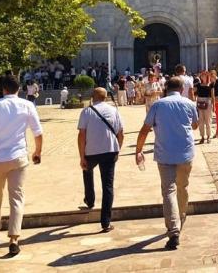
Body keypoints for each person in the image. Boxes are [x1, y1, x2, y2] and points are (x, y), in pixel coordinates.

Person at [0, 75, 44, 257]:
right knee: (17, 198)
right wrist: (38, 151)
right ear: (19, 89)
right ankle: (14, 238)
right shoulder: (28, 105)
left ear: (3, 89)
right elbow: (38, 132)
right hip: (18, 157)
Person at [135, 77, 199, 250]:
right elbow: (195, 126)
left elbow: (144, 130)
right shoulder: (189, 103)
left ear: (165, 87)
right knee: (183, 187)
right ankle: (182, 216)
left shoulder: (157, 105)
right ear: (181, 88)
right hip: (185, 152)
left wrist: (138, 150)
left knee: (168, 191)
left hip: (165, 153)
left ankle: (173, 230)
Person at [78, 87, 124, 232]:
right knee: (108, 186)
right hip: (110, 150)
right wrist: (118, 149)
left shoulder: (87, 112)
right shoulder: (113, 111)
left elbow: (81, 135)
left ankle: (90, 199)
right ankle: (106, 222)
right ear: (106, 97)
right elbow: (120, 133)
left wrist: (81, 156)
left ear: (93, 97)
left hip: (91, 150)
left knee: (87, 170)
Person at [195, 70, 214, 144]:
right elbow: (194, 93)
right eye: (202, 75)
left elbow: (212, 95)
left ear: (207, 76)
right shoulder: (198, 85)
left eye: (204, 75)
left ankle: (209, 136)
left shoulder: (211, 84)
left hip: (208, 101)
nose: (203, 76)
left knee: (208, 120)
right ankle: (202, 137)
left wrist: (214, 105)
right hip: (200, 102)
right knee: (201, 121)